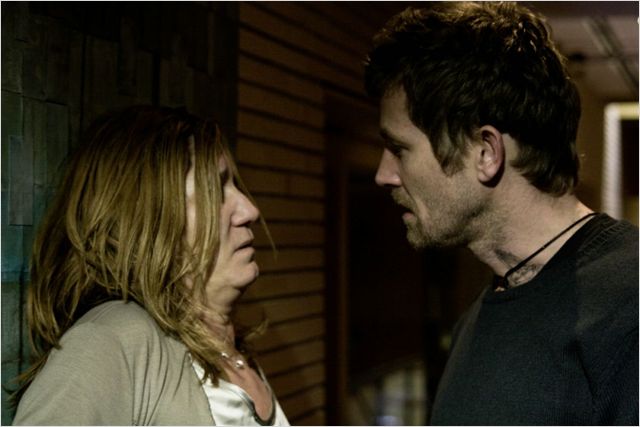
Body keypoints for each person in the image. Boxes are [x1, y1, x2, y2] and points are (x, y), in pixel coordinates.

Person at [364, 2, 638, 425]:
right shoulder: (475, 321)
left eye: (399, 149)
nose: (384, 175)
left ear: (485, 152)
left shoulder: (629, 305)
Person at [11, 106, 290, 425]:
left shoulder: (233, 353)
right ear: (147, 218)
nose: (250, 210)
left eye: (236, 187)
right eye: (214, 191)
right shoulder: (109, 341)